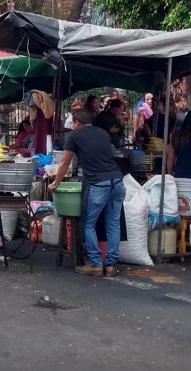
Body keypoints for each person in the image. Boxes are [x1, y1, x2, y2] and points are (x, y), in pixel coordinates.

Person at [49, 110, 125, 277]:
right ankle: (111, 265)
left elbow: (65, 161)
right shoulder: (103, 133)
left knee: (88, 224)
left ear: (76, 122)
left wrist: (56, 183)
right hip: (117, 181)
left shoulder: (74, 137)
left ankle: (96, 264)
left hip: (99, 183)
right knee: (112, 224)